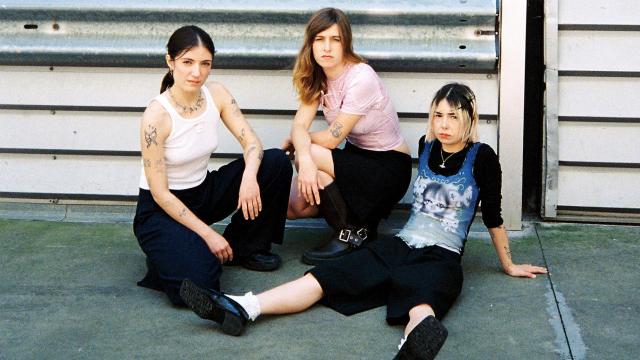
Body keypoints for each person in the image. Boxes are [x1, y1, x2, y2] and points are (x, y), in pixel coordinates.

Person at [178, 83, 548, 359]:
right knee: (323, 278)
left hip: (442, 255)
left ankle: (412, 347)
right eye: (439, 114)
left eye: (454, 115)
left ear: (469, 118)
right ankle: (243, 308)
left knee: (422, 302)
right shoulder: (426, 144)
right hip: (400, 244)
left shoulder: (482, 157)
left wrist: (509, 263)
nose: (445, 123)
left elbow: (495, 215)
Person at [133, 25, 292, 306]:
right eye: (187, 62)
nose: (197, 72)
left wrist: (250, 177)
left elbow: (251, 142)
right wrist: (209, 235)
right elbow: (160, 194)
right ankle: (165, 259)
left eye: (205, 63)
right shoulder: (156, 116)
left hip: (202, 193)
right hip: (161, 211)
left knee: (276, 162)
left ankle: (245, 247)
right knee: (203, 283)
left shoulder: (216, 93)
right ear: (170, 62)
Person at [283, 7, 412, 264]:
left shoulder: (361, 77)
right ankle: (362, 227)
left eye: (335, 39)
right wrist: (306, 159)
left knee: (309, 154)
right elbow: (298, 126)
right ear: (310, 44)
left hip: (388, 168)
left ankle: (349, 233)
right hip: (356, 159)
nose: (326, 47)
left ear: (346, 43)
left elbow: (331, 139)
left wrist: (303, 151)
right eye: (319, 39)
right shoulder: (317, 77)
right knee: (294, 206)